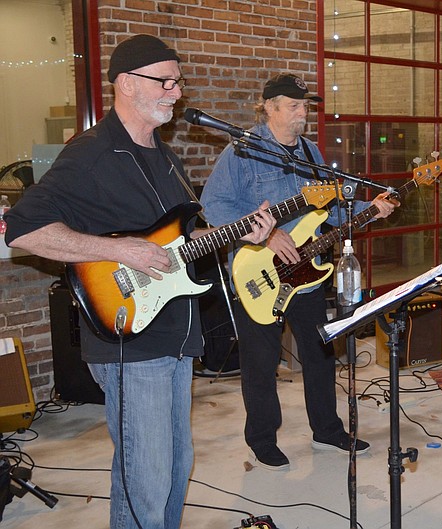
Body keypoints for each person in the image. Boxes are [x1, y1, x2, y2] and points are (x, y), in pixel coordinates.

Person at [5, 35, 276, 528]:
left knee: (174, 469)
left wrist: (241, 233)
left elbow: (182, 239)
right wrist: (116, 249)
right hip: (129, 336)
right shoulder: (91, 153)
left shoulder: (165, 157)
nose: (177, 92)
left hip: (174, 333)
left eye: (179, 82)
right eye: (166, 81)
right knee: (145, 479)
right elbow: (24, 229)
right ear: (126, 84)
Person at [200, 73, 398, 470]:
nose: (302, 112)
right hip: (256, 272)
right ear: (269, 107)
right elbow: (213, 207)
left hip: (306, 274)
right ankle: (261, 439)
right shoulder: (242, 151)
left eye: (304, 105)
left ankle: (327, 429)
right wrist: (264, 236)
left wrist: (371, 209)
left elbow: (332, 211)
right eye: (293, 105)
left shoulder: (310, 152)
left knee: (321, 353)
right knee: (261, 361)